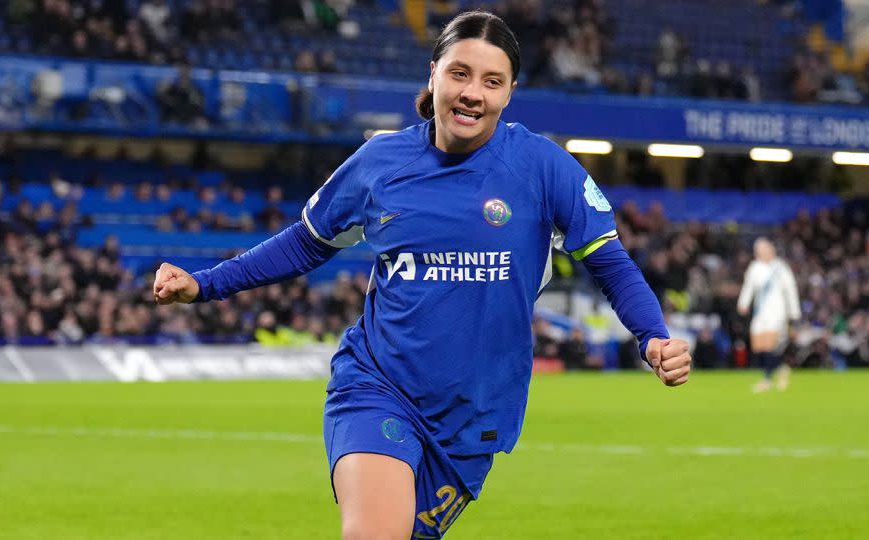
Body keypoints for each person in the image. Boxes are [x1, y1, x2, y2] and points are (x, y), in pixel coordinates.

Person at [152, 11, 691, 539]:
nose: (472, 93)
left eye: (491, 81)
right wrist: (206, 283)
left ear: (509, 93)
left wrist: (653, 337)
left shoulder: (542, 167)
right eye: (459, 73)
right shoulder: (379, 163)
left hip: (473, 416)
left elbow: (610, 263)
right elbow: (305, 243)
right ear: (432, 74)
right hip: (378, 387)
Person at [737, 237, 801, 392]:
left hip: (777, 312)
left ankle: (767, 379)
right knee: (759, 346)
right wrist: (743, 303)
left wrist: (794, 313)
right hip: (760, 312)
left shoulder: (781, 268)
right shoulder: (755, 267)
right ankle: (781, 369)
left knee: (770, 345)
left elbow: (790, 291)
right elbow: (749, 287)